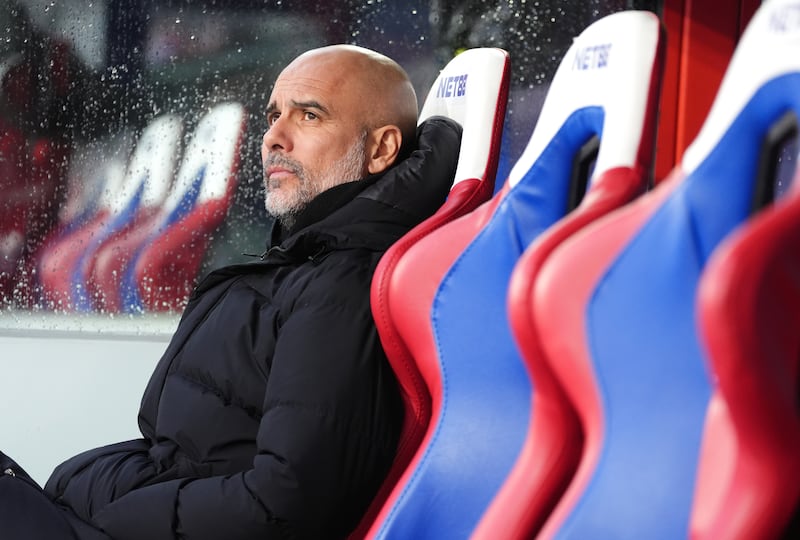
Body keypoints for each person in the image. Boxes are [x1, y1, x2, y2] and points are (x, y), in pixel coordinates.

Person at [0, 44, 462, 539]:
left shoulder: (336, 290)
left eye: (309, 115)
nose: (274, 138)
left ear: (380, 150)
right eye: (272, 116)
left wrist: (110, 518)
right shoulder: (301, 263)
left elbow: (285, 501)